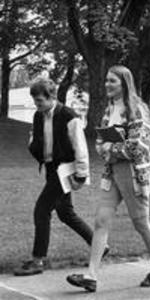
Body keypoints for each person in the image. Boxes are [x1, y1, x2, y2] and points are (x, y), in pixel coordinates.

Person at [66, 65, 150, 292]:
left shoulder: (137, 109)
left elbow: (138, 146)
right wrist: (106, 148)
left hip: (133, 174)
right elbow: (100, 142)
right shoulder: (109, 108)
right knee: (101, 221)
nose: (107, 85)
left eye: (112, 81)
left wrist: (111, 148)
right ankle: (91, 276)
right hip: (111, 173)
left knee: (141, 223)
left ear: (124, 83)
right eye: (106, 81)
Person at [14, 77, 95, 276]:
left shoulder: (69, 116)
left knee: (41, 210)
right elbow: (37, 138)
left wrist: (81, 175)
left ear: (51, 97)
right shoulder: (38, 115)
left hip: (66, 170)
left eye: (40, 101)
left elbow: (80, 147)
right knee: (65, 212)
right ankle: (100, 245)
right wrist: (33, 144)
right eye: (35, 101)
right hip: (51, 169)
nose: (37, 105)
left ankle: (38, 260)